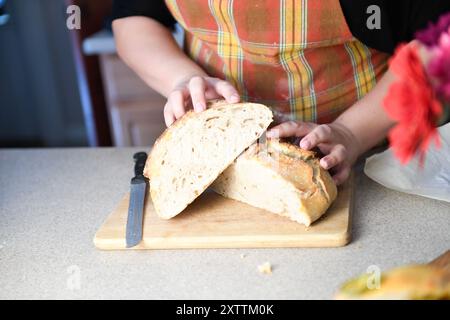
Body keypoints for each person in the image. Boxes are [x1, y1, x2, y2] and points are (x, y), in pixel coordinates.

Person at [111, 0, 450, 184]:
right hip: (221, 163)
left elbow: (440, 42)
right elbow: (134, 18)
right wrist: (181, 77)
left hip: (375, 163)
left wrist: (351, 133)